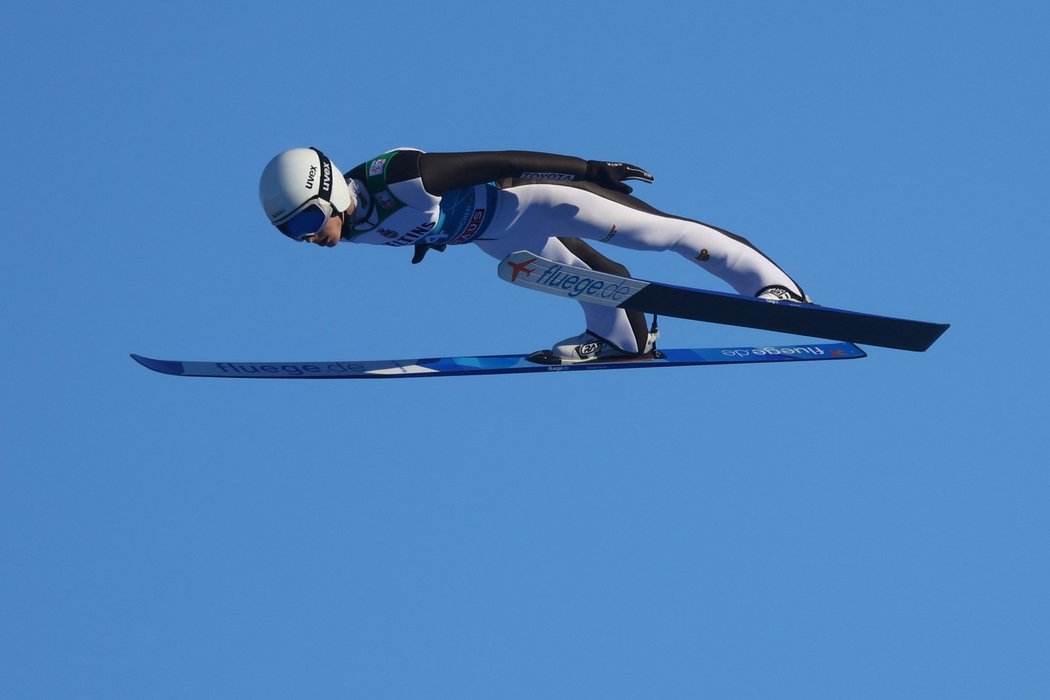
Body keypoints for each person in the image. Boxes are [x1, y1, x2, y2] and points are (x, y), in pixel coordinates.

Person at [258, 146, 809, 363]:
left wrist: (592, 171)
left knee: (655, 234)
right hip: (491, 233)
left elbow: (496, 158)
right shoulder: (349, 227)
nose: (308, 238)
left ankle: (771, 288)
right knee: (576, 278)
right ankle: (623, 339)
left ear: (328, 191)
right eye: (292, 234)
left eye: (306, 220)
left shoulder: (400, 177)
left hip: (532, 196)